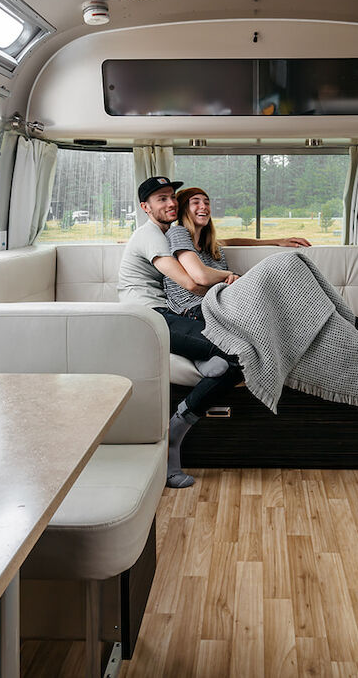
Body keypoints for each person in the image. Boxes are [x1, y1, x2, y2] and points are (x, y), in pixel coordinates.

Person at [161, 186, 358, 487]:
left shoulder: (208, 241)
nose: (203, 206)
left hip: (225, 306)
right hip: (205, 311)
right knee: (286, 265)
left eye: (206, 201)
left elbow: (237, 239)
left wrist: (276, 239)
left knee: (310, 306)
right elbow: (199, 277)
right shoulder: (178, 234)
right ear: (184, 211)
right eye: (195, 202)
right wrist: (233, 277)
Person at [117, 176, 309, 487]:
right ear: (145, 207)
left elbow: (219, 242)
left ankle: (205, 361)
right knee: (238, 353)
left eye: (172, 197)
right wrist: (234, 277)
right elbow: (192, 282)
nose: (170, 203)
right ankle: (174, 434)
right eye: (161, 199)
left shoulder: (166, 232)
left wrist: (268, 243)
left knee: (231, 357)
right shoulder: (151, 234)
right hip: (148, 319)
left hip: (167, 316)